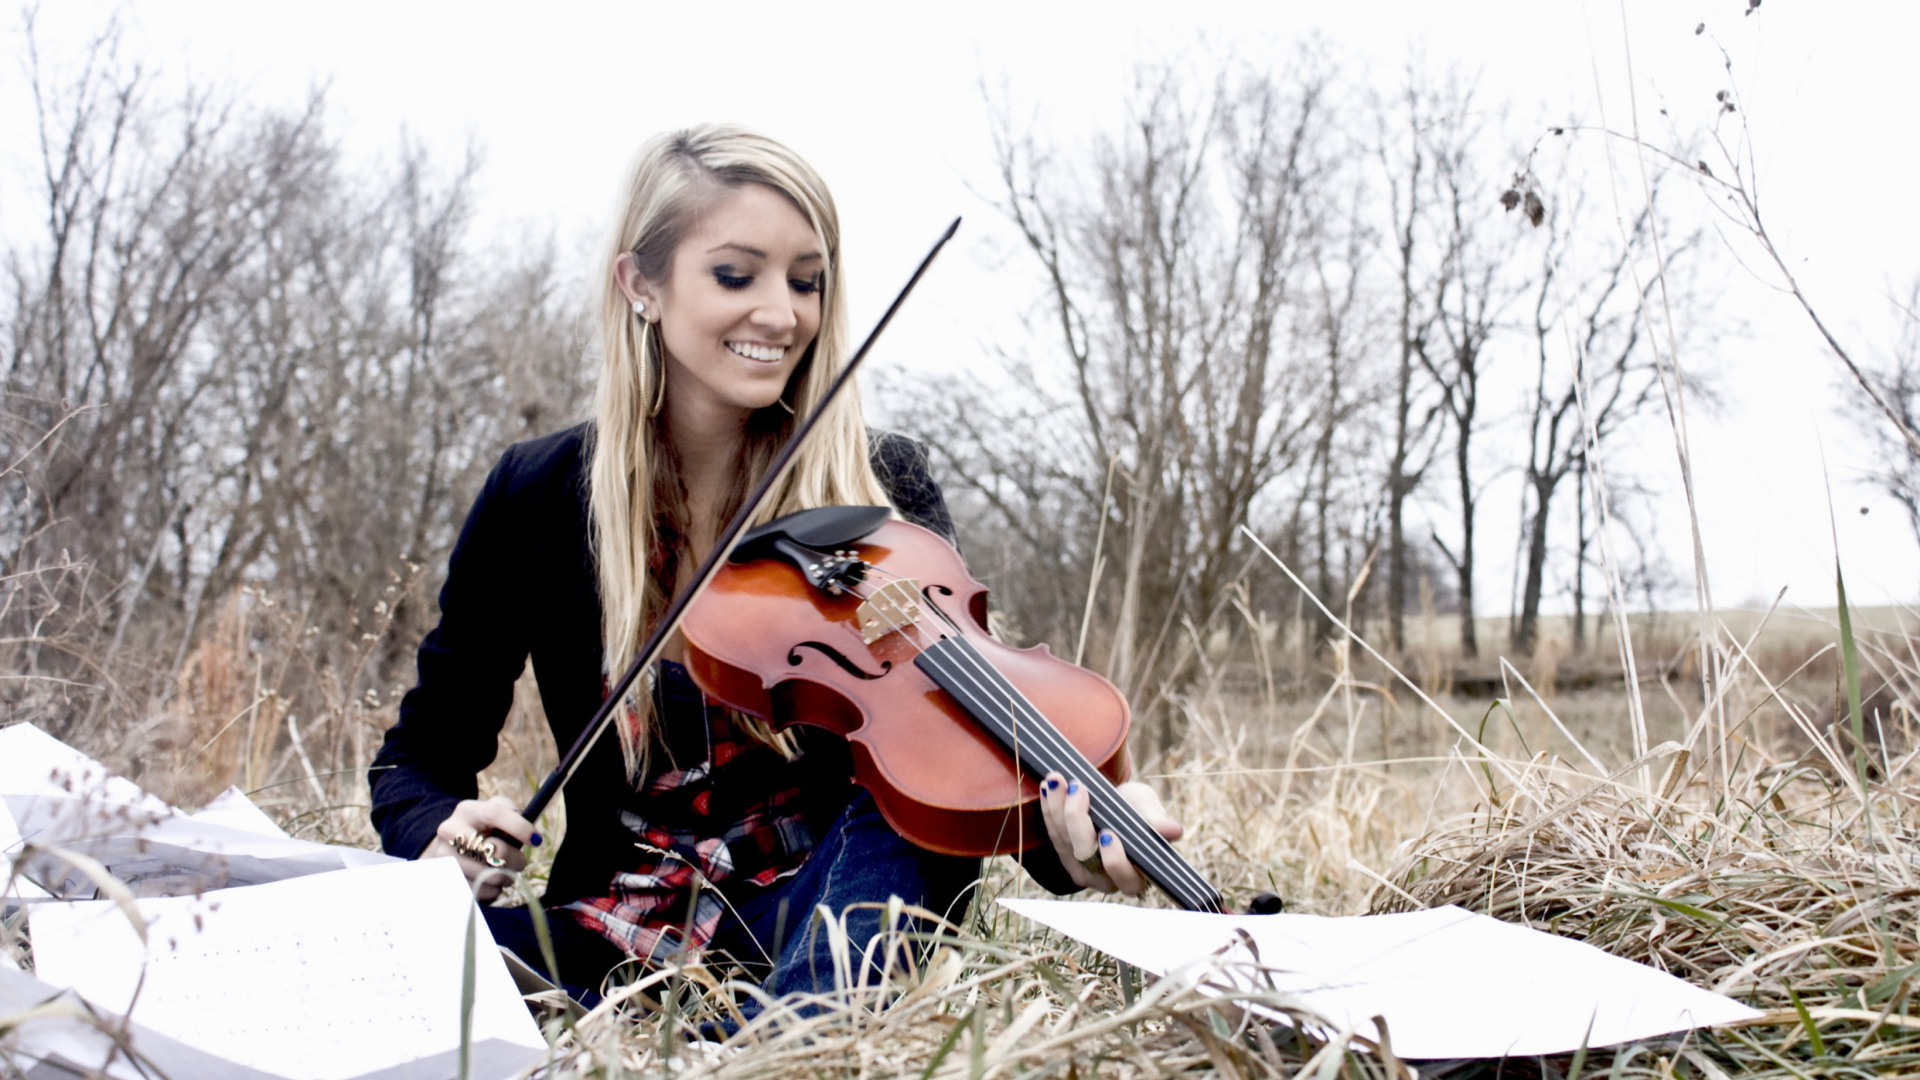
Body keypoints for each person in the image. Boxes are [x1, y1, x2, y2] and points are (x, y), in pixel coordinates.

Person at [369, 125, 1182, 1008]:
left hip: (825, 906)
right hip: (608, 923)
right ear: (641, 284)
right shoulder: (537, 492)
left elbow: (962, 750)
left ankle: (794, 1036)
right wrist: (436, 831)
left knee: (908, 814)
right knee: (373, 945)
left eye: (807, 281)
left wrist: (1081, 831)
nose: (782, 313)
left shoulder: (884, 485)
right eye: (735, 274)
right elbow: (422, 755)